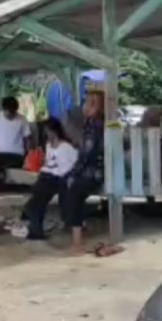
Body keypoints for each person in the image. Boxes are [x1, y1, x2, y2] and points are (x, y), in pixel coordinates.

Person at [63, 91, 105, 254]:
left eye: (92, 103)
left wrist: (73, 174)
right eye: (86, 101)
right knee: (65, 186)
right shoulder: (92, 124)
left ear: (100, 108)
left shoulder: (94, 126)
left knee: (73, 191)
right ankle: (76, 230)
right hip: (92, 170)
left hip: (94, 173)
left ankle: (77, 242)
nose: (87, 105)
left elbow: (87, 154)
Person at [22, 118, 77, 240]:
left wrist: (69, 176)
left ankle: (34, 226)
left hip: (59, 177)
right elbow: (48, 164)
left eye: (48, 131)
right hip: (46, 175)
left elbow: (74, 164)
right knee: (38, 198)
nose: (47, 134)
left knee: (38, 199)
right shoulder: (48, 146)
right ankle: (35, 227)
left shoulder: (66, 147)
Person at [0, 96, 32, 217]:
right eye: (8, 112)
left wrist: (28, 156)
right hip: (0, 154)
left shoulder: (22, 120)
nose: (10, 115)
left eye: (13, 112)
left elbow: (27, 140)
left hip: (16, 155)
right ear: (3, 109)